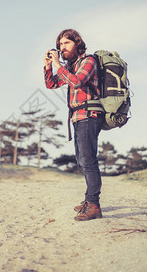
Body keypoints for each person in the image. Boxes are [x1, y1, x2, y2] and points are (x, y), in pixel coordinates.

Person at [43, 29, 104, 221]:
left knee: (89, 160)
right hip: (77, 118)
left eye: (66, 43)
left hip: (89, 115)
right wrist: (48, 67)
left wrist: (58, 64)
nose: (62, 47)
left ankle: (93, 205)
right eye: (60, 44)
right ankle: (89, 200)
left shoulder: (89, 61)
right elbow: (51, 84)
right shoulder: (70, 66)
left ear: (77, 44)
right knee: (82, 160)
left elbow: (77, 82)